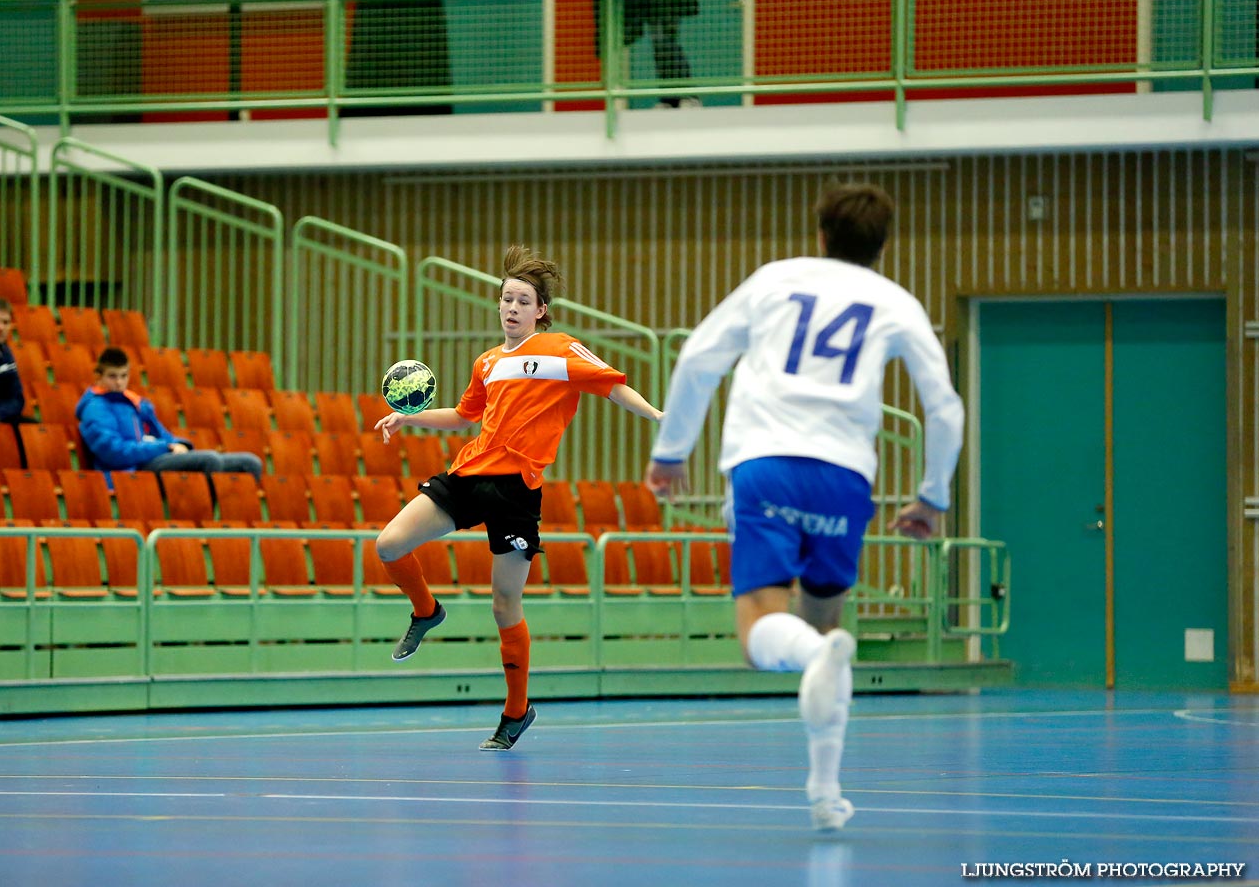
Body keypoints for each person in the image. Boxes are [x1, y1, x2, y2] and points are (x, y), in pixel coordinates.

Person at [643, 183, 964, 832]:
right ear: (882, 246)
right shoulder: (897, 303)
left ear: (819, 234)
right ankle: (826, 792)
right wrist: (932, 494)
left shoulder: (774, 280)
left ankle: (816, 672)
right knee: (823, 630)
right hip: (845, 479)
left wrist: (672, 450)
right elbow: (944, 406)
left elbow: (700, 357)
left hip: (767, 466)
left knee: (762, 635)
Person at [373, 245, 663, 751]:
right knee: (389, 543)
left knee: (505, 606)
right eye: (506, 299)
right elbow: (465, 416)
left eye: (522, 300)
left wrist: (659, 418)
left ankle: (515, 712)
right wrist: (408, 416)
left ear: (540, 310)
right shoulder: (486, 362)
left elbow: (615, 387)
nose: (511, 308)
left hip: (516, 490)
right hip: (469, 473)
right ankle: (425, 611)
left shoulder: (562, 350)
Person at [76, 347, 264, 479]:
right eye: (112, 376)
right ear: (98, 377)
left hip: (154, 458)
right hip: (132, 470)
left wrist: (177, 444)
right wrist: (164, 447)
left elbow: (163, 435)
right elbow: (114, 453)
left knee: (250, 463)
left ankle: (235, 522)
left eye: (124, 376)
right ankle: (206, 524)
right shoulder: (95, 408)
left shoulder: (136, 403)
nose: (119, 383)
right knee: (209, 461)